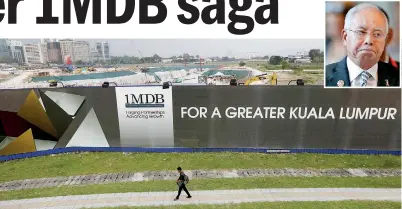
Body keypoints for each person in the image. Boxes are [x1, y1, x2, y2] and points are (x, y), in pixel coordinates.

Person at [325, 3, 400, 87]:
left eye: (377, 34)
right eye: (361, 32)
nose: (369, 41)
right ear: (345, 37)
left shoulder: (397, 76)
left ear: (387, 38)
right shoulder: (324, 77)